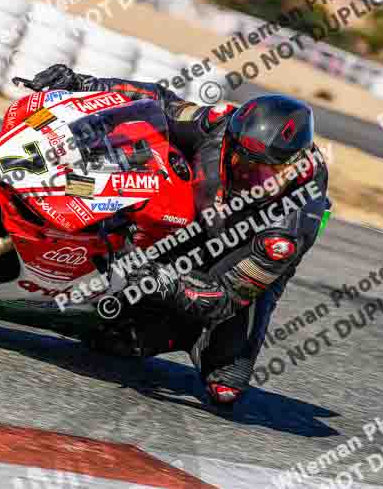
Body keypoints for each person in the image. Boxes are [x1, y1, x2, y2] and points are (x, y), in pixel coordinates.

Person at [30, 64, 332, 405]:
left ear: (292, 168)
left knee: (224, 387)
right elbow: (159, 102)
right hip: (191, 207)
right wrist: (84, 83)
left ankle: (188, 335)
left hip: (241, 254)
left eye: (263, 173)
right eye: (241, 163)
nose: (248, 177)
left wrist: (162, 281)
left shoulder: (287, 230)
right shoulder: (218, 122)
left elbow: (224, 296)